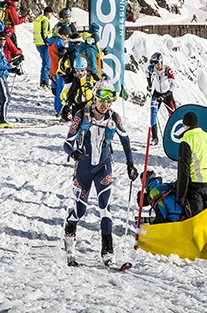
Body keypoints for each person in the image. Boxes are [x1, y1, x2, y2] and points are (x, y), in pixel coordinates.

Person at [62, 82, 138, 268]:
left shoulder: (114, 118)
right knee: (80, 211)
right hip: (84, 169)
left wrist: (130, 164)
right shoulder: (82, 115)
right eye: (102, 99)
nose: (105, 104)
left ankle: (108, 253)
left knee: (105, 208)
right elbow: (67, 143)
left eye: (109, 100)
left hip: (103, 167)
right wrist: (73, 153)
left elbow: (126, 140)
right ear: (95, 97)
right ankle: (69, 233)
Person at [176, 112, 207, 217]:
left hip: (194, 186)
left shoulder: (186, 141)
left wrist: (180, 196)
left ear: (185, 125)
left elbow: (183, 171)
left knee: (195, 219)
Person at [147, 52, 176, 145]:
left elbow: (173, 85)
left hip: (167, 94)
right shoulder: (150, 69)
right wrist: (149, 85)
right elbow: (147, 75)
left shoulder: (168, 70)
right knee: (153, 114)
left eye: (158, 63)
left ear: (162, 62)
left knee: (173, 115)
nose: (156, 66)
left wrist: (165, 95)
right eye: (154, 64)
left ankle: (172, 136)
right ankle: (155, 138)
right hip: (156, 93)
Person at [60, 55, 98, 121]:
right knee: (77, 119)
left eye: (82, 70)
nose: (79, 73)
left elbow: (100, 86)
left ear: (85, 68)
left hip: (89, 104)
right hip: (77, 104)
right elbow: (65, 90)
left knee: (88, 120)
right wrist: (64, 99)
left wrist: (93, 88)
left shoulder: (91, 77)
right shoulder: (72, 78)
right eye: (77, 70)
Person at [33, 6, 53, 89]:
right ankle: (44, 81)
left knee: (45, 62)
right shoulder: (45, 20)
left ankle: (44, 81)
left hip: (38, 43)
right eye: (51, 14)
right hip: (44, 44)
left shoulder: (38, 19)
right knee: (47, 63)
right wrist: (48, 42)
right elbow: (45, 33)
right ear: (48, 14)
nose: (51, 16)